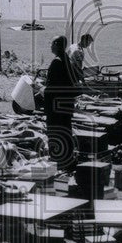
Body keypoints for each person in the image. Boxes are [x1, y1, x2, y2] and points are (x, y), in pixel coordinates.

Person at [43, 35, 79, 173]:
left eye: (52, 43)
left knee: (55, 133)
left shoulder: (56, 62)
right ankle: (68, 161)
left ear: (57, 45)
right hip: (66, 104)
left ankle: (57, 163)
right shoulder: (67, 60)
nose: (50, 46)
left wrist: (41, 90)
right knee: (66, 132)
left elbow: (51, 88)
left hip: (55, 106)